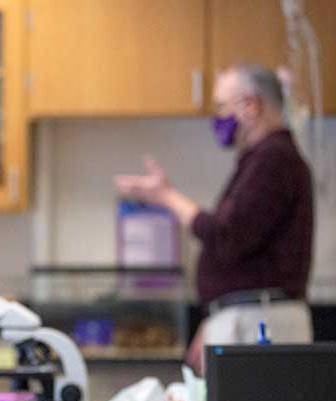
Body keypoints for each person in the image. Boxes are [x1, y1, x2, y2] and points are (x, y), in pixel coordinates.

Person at [115, 65, 314, 369]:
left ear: (250, 106)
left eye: (222, 106)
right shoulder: (261, 160)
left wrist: (166, 197)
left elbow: (226, 235)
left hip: (259, 323)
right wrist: (216, 317)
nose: (218, 117)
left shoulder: (274, 159)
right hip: (247, 316)